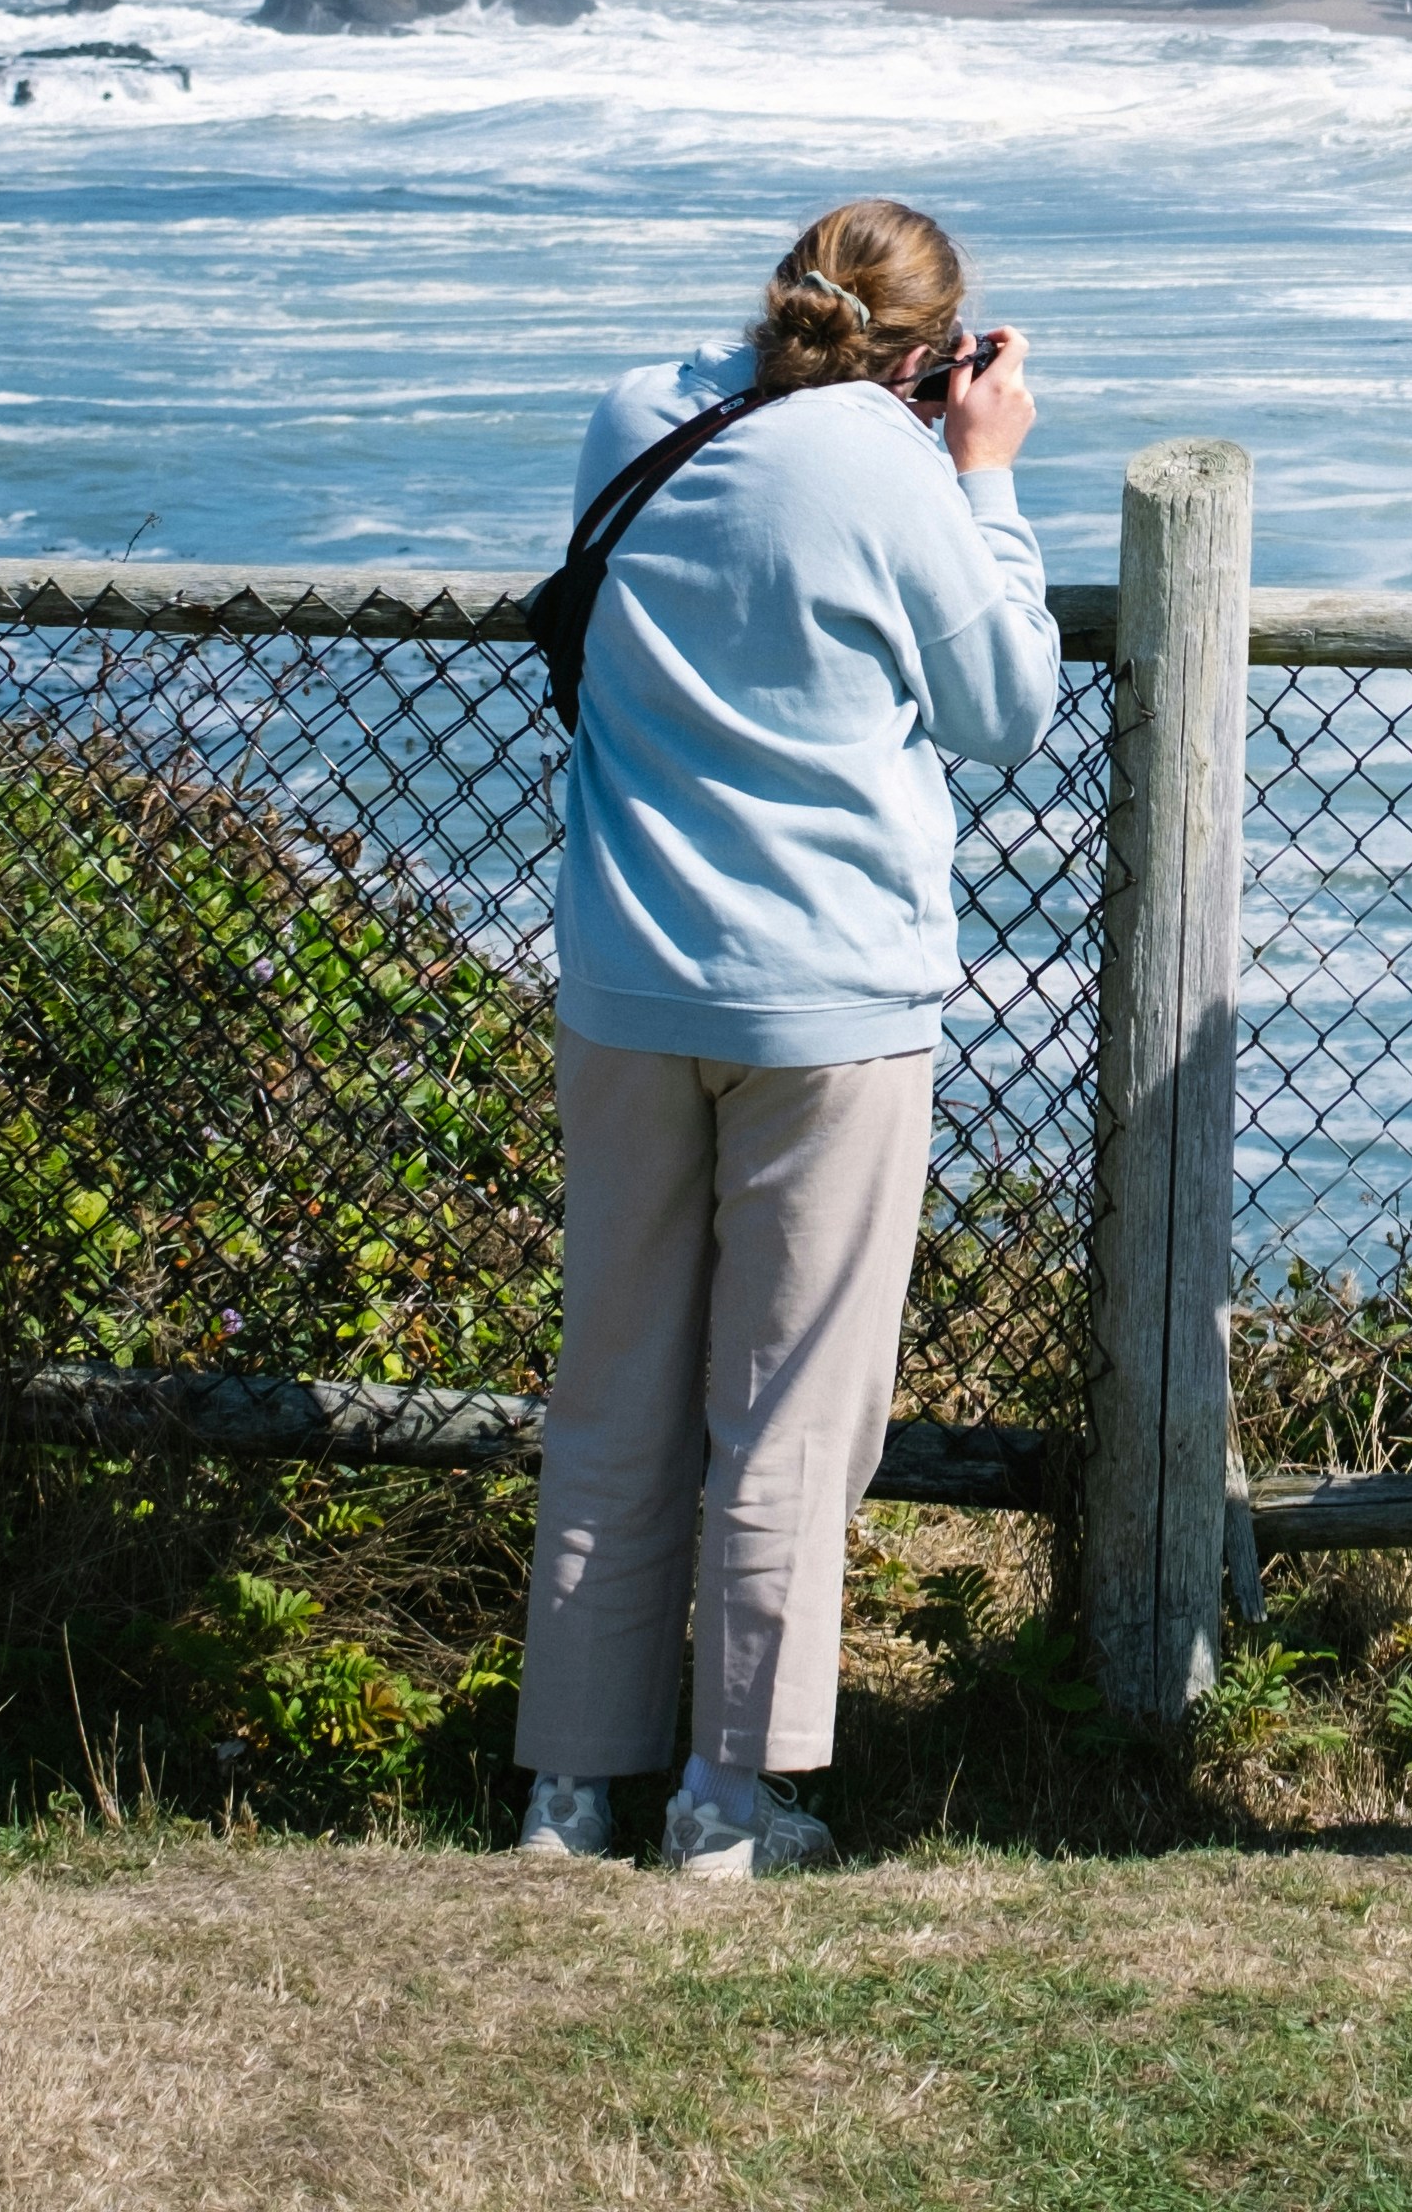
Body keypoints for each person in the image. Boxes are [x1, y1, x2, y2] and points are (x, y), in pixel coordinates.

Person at [510, 195, 1051, 1879]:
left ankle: (567, 1789)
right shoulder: (888, 463)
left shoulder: (632, 411)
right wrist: (986, 472)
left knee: (614, 1383)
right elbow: (1007, 706)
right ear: (932, 354)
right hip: (827, 996)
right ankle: (727, 1804)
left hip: (626, 970)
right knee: (793, 1409)